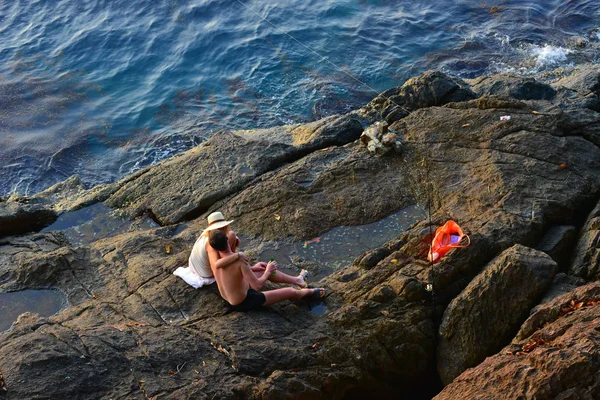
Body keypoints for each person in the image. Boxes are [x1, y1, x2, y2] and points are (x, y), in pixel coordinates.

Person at [208, 229, 325, 312]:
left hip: (231, 295)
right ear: (227, 239)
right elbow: (257, 286)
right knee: (290, 291)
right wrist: (268, 271)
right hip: (244, 301)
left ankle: (297, 280)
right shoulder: (239, 261)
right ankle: (309, 293)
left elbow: (232, 274)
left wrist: (253, 268)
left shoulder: (216, 262)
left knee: (262, 267)